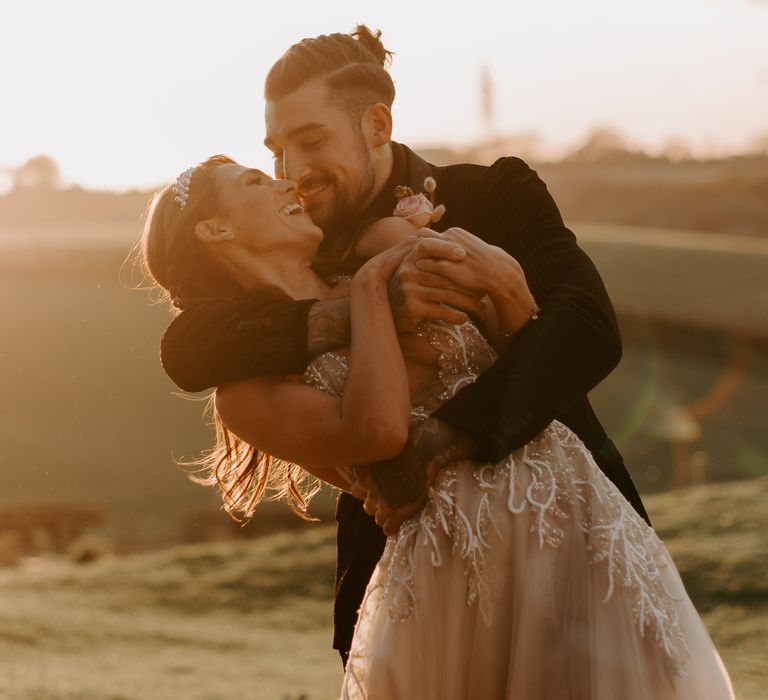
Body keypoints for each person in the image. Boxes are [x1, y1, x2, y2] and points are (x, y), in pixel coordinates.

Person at [139, 156, 734, 698]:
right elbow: (377, 433)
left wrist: (502, 281)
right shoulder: (249, 393)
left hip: (579, 520)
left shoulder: (391, 251)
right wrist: (372, 291)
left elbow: (520, 353)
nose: (284, 181)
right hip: (456, 575)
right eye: (255, 181)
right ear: (214, 231)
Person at [159, 25, 651, 664]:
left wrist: (439, 440)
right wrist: (358, 307)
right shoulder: (304, 241)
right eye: (277, 151)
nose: (293, 172)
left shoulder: (497, 192)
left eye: (311, 142)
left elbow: (586, 328)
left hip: (563, 519)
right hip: (411, 567)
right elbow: (188, 348)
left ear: (377, 126)